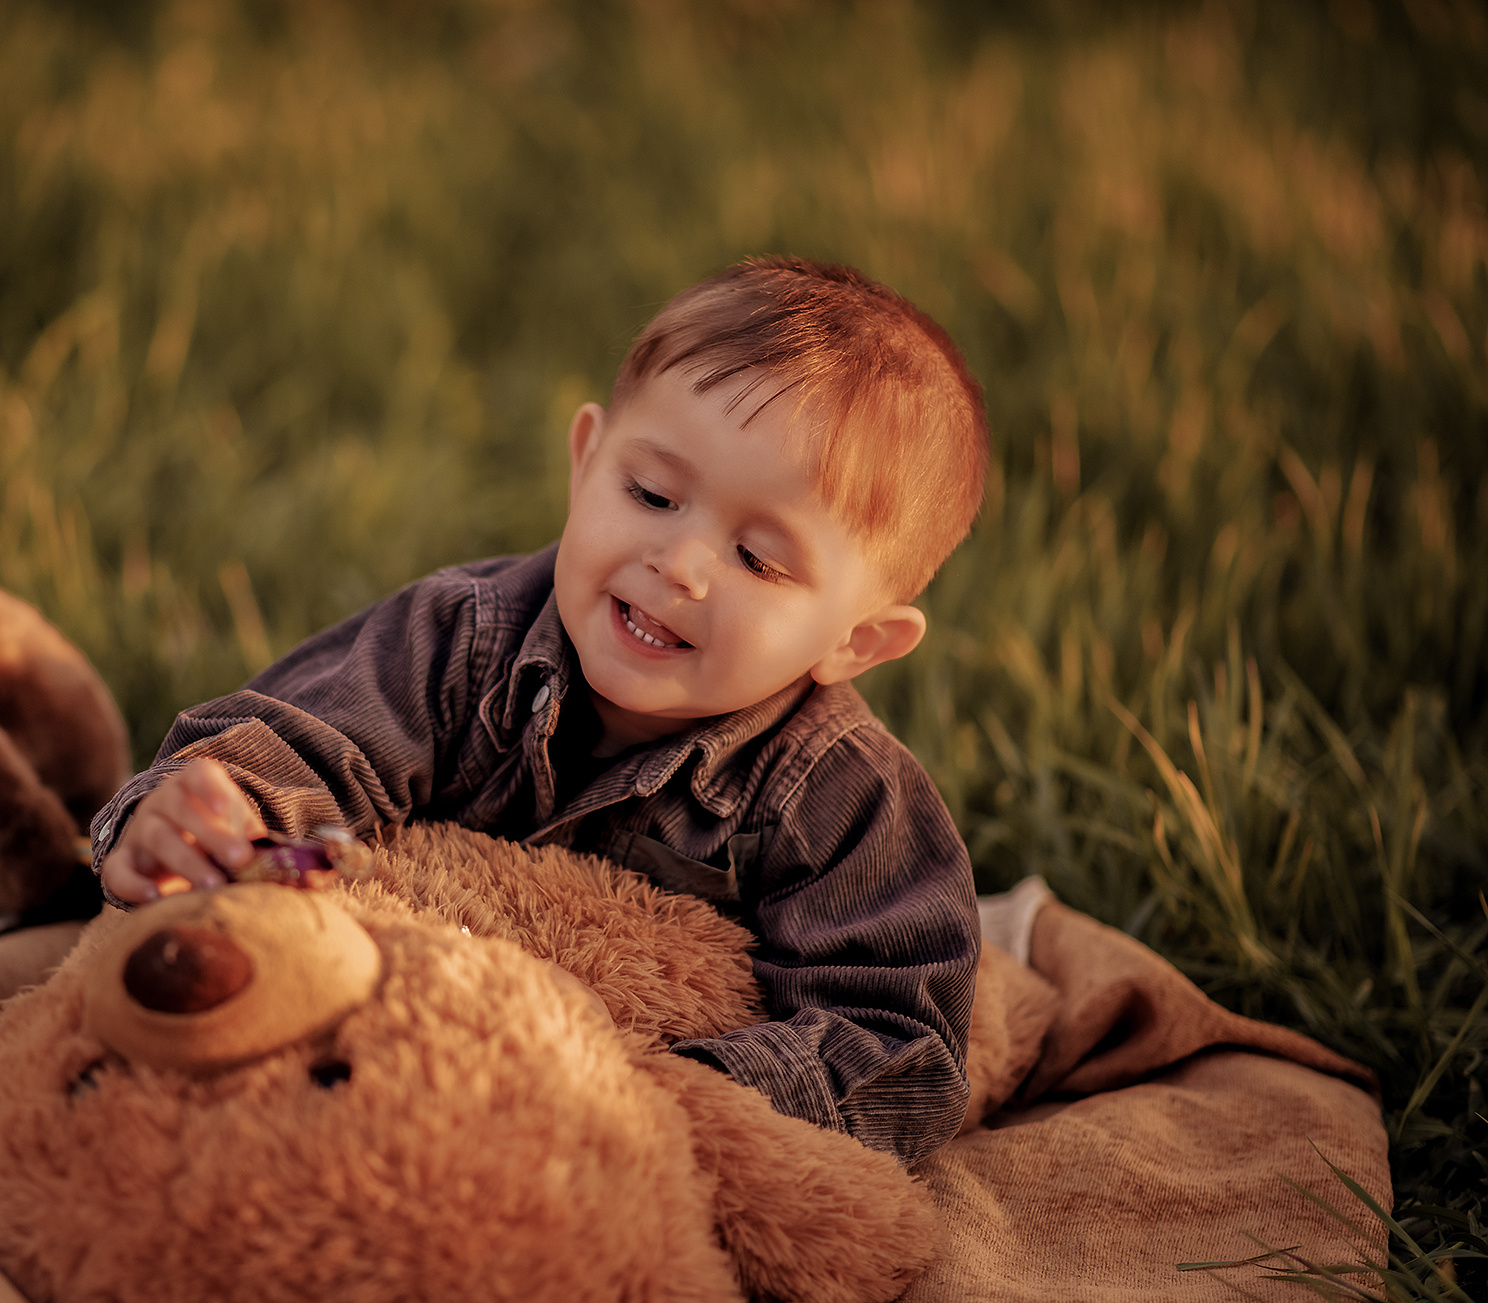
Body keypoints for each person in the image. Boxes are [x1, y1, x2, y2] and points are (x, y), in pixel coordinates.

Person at [92, 257, 988, 1165]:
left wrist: (661, 1099)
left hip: (609, 1132)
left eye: (758, 558)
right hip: (391, 1044)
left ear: (856, 641)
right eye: (651, 495)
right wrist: (204, 819)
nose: (680, 564)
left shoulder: (844, 800)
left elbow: (896, 1041)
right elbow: (298, 746)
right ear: (585, 460)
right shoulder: (462, 642)